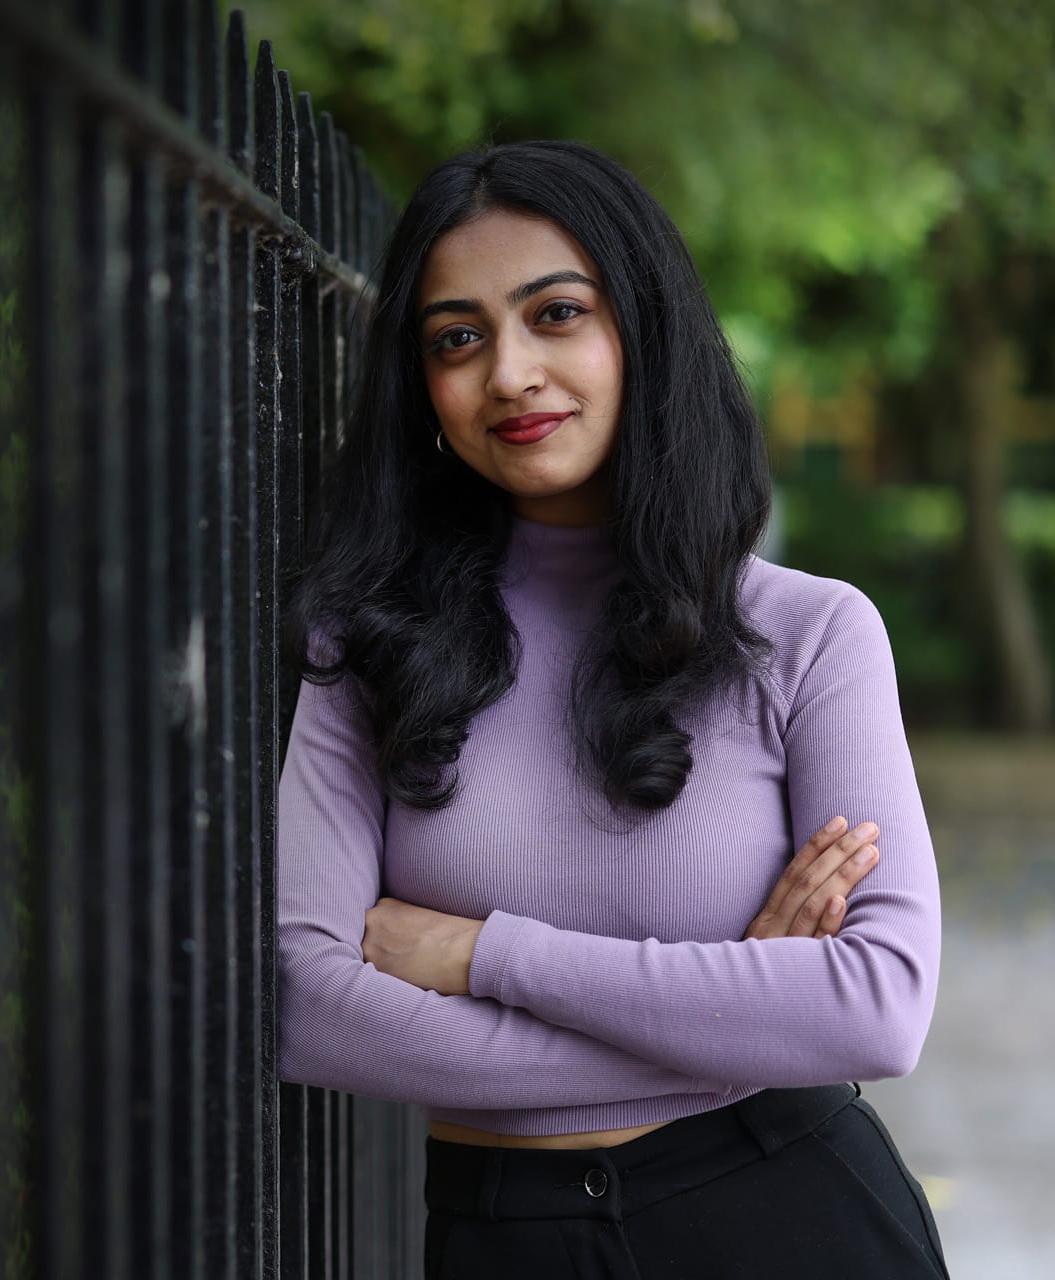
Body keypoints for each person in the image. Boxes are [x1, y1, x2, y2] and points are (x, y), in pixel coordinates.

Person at [276, 139, 947, 1278]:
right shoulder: (371, 639)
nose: (510, 374)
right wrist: (734, 1016)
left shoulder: (811, 632)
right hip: (505, 1240)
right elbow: (306, 1004)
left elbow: (876, 1007)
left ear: (641, 326)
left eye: (556, 314)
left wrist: (483, 953)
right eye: (457, 337)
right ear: (422, 387)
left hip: (793, 1216)